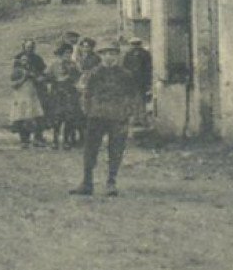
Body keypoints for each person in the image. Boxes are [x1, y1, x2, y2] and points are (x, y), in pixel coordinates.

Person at [72, 39, 140, 196]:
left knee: (116, 149)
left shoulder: (126, 75)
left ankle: (111, 182)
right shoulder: (93, 74)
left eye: (112, 53)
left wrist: (128, 112)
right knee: (90, 149)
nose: (109, 57)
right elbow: (86, 94)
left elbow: (132, 96)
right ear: (100, 56)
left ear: (117, 56)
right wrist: (88, 111)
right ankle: (87, 182)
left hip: (118, 116)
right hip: (97, 116)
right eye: (105, 54)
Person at [8, 38, 48, 147]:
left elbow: (42, 73)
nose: (30, 49)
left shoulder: (37, 59)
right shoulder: (18, 60)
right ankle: (24, 139)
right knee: (22, 114)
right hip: (22, 93)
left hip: (36, 90)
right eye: (28, 47)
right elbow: (14, 80)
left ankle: (38, 137)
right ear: (24, 47)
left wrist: (39, 78)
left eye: (32, 47)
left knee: (37, 114)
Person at [46, 40, 82, 149]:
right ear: (61, 53)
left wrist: (72, 77)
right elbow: (47, 77)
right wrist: (56, 80)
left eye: (70, 53)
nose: (68, 55)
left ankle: (66, 140)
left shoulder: (73, 65)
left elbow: (78, 77)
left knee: (69, 117)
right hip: (57, 93)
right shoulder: (54, 65)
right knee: (57, 117)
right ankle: (55, 140)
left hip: (70, 93)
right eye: (66, 53)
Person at [121, 36, 154, 126]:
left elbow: (148, 68)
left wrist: (148, 81)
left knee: (141, 100)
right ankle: (135, 119)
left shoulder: (145, 54)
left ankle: (141, 119)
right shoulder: (128, 54)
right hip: (132, 81)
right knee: (133, 100)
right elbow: (125, 67)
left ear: (140, 44)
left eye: (137, 44)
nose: (135, 46)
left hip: (141, 81)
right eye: (133, 44)